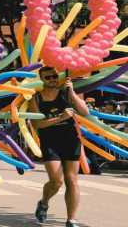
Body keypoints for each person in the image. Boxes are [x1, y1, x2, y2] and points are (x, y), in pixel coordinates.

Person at [30, 66, 90, 227]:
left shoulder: (66, 93)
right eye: (48, 77)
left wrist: (71, 93)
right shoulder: (35, 98)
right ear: (41, 79)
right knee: (56, 181)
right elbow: (38, 125)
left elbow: (85, 112)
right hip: (50, 141)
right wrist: (60, 118)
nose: (52, 80)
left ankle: (71, 219)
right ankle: (43, 202)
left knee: (72, 180)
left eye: (54, 76)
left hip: (70, 139)